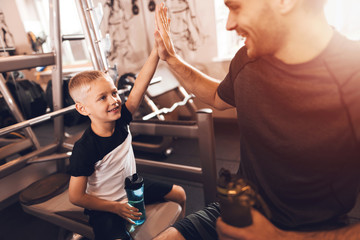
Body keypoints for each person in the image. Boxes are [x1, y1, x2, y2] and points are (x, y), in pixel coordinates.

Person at [153, 0, 360, 239]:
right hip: (239, 212)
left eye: (236, 7)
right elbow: (215, 95)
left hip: (311, 232)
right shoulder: (248, 59)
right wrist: (171, 58)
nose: (229, 24)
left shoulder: (353, 77)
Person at [67, 46, 186, 240]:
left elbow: (140, 84)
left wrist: (156, 50)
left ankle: (182, 233)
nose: (114, 100)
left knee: (179, 194)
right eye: (103, 98)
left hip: (132, 188)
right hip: (105, 205)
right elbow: (76, 196)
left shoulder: (121, 119)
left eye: (114, 93)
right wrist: (116, 207)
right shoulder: (85, 148)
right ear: (83, 109)